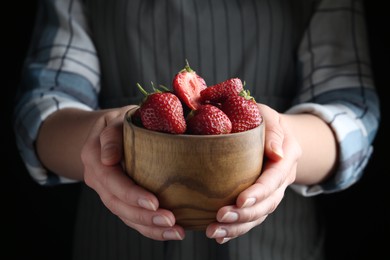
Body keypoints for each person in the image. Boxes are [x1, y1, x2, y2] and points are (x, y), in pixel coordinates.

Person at [13, 0, 380, 259]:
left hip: (276, 247)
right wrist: (102, 137)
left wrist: (284, 142)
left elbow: (352, 113)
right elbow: (42, 109)